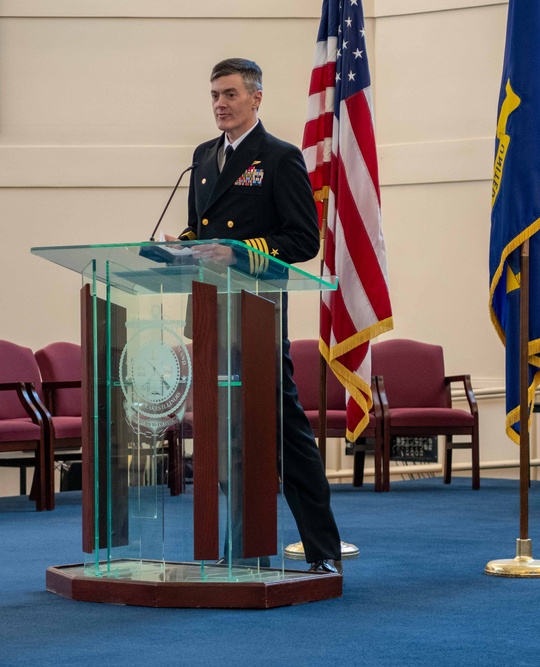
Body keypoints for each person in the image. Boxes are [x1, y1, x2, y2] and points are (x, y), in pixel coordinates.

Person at [170, 57, 342, 574]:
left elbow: (304, 239)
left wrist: (238, 252)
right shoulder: (202, 157)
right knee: (227, 437)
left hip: (257, 311)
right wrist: (175, 251)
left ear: (256, 98)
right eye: (215, 96)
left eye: (229, 95)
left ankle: (323, 551)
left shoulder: (280, 157)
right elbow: (196, 231)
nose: (220, 104)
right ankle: (239, 550)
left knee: (286, 434)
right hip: (209, 310)